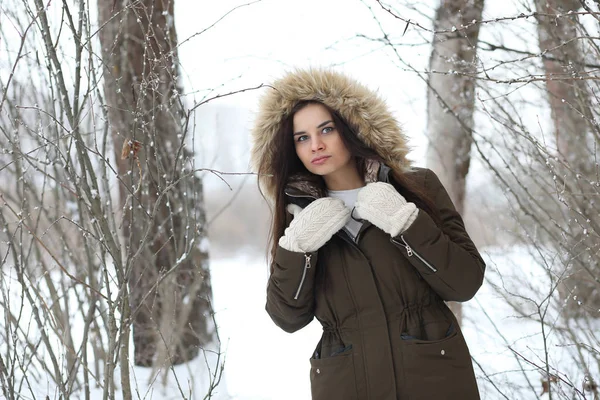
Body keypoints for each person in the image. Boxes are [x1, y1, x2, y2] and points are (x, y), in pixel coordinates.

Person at [250, 68, 486, 400]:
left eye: (326, 130)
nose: (315, 145)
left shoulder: (417, 187)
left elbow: (465, 282)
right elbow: (287, 317)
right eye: (301, 138)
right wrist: (297, 247)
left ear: (352, 127)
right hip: (346, 383)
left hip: (432, 376)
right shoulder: (296, 213)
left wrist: (406, 223)